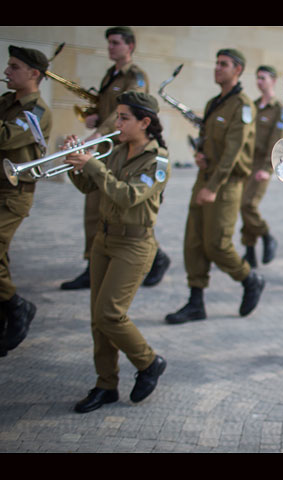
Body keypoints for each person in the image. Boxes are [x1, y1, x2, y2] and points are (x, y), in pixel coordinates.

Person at [64, 91, 169, 413]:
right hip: (104, 239)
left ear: (145, 122)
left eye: (123, 117)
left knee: (110, 313)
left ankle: (148, 362)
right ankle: (105, 385)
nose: (117, 123)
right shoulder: (117, 150)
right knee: (98, 319)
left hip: (134, 245)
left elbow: (128, 196)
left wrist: (93, 165)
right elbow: (88, 187)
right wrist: (74, 162)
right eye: (117, 116)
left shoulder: (158, 161)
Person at [60, 26, 170, 291]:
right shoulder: (111, 74)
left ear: (129, 46)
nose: (110, 47)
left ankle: (154, 257)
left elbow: (126, 113)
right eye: (109, 43)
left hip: (114, 141)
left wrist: (100, 131)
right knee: (97, 203)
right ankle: (93, 261)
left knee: (128, 206)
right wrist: (93, 117)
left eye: (116, 43)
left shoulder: (136, 76)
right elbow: (112, 110)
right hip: (112, 144)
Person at [165, 48, 264, 324]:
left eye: (224, 64)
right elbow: (207, 138)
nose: (217, 68)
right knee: (194, 241)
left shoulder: (243, 105)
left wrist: (213, 186)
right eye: (216, 63)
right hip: (205, 176)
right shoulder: (213, 103)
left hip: (226, 182)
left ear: (238, 70)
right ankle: (196, 302)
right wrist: (200, 155)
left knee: (217, 244)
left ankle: (249, 278)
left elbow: (233, 152)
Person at [0, 46, 52, 357]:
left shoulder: (38, 111)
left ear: (34, 74)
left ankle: (17, 306)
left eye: (14, 67)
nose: (7, 72)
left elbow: (6, 137)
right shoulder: (8, 101)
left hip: (14, 193)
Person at [240, 65, 283, 268]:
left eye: (263, 78)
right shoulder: (253, 105)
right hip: (246, 161)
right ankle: (249, 251)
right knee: (243, 205)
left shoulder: (278, 109)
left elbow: (277, 140)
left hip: (261, 163)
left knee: (247, 204)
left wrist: (267, 168)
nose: (259, 82)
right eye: (257, 78)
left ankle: (267, 236)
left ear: (273, 81)